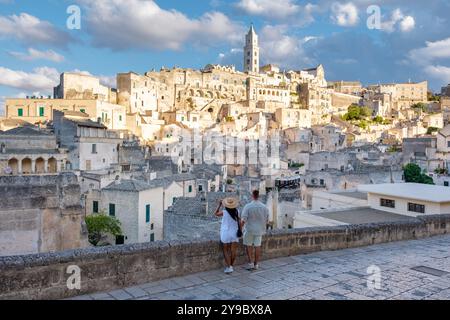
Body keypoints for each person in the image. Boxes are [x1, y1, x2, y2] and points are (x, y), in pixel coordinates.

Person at [241, 190, 269, 271]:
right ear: (258, 196)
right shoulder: (264, 207)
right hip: (260, 230)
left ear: (252, 196)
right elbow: (267, 220)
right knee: (257, 247)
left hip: (249, 229)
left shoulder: (248, 206)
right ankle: (256, 264)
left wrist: (239, 229)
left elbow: (243, 220)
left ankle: (250, 263)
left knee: (249, 246)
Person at [214, 197, 242, 274]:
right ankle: (231, 266)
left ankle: (229, 267)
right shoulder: (237, 211)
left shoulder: (224, 212)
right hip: (234, 233)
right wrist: (240, 230)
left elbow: (215, 213)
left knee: (225, 250)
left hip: (225, 232)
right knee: (233, 251)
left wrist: (219, 205)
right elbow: (239, 221)